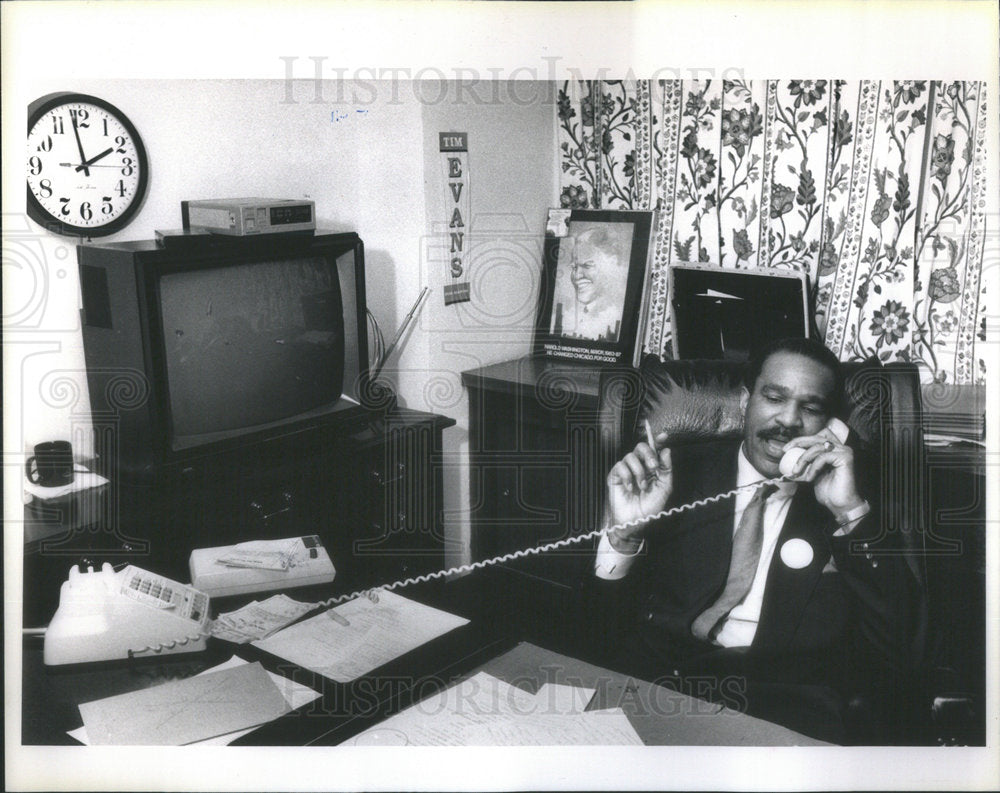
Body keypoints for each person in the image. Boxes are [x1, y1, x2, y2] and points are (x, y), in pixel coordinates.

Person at [592, 337, 921, 743]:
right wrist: (625, 536)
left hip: (780, 713)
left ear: (831, 426)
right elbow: (597, 630)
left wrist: (848, 513)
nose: (788, 420)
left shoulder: (855, 496)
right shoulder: (674, 473)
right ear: (747, 400)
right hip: (660, 693)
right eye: (774, 397)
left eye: (811, 408)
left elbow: (901, 651)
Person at [555, 226, 628, 341]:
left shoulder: (617, 316)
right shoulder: (574, 316)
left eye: (587, 266)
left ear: (611, 264)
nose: (577, 275)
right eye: (574, 267)